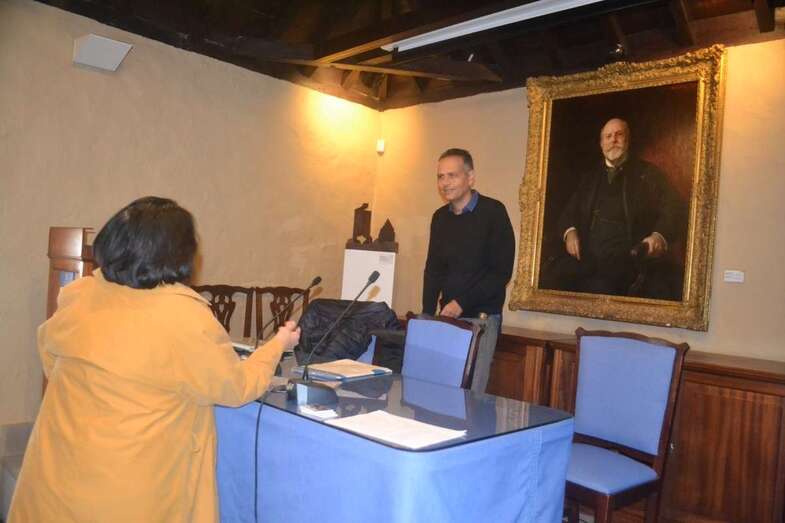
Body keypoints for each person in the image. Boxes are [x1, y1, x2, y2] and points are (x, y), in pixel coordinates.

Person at [9, 196, 300, 523]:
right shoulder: (182, 317)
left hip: (55, 476)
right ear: (180, 254)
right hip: (126, 493)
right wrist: (277, 344)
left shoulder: (80, 294)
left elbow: (50, 357)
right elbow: (235, 387)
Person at [542, 118, 683, 298]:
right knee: (552, 278)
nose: (613, 140)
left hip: (630, 262)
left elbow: (674, 207)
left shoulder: (648, 174)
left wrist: (658, 236)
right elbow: (569, 212)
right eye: (608, 136)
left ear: (628, 140)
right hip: (588, 260)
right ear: (601, 144)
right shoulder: (590, 178)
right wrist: (570, 232)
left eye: (619, 135)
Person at [423, 148, 515, 393]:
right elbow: (433, 270)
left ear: (470, 177)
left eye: (452, 175)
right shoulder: (439, 218)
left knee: (469, 396)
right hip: (446, 319)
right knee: (438, 392)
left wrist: (461, 303)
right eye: (440, 177)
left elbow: (500, 273)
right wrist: (426, 316)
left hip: (480, 320)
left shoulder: (494, 212)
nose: (445, 183)